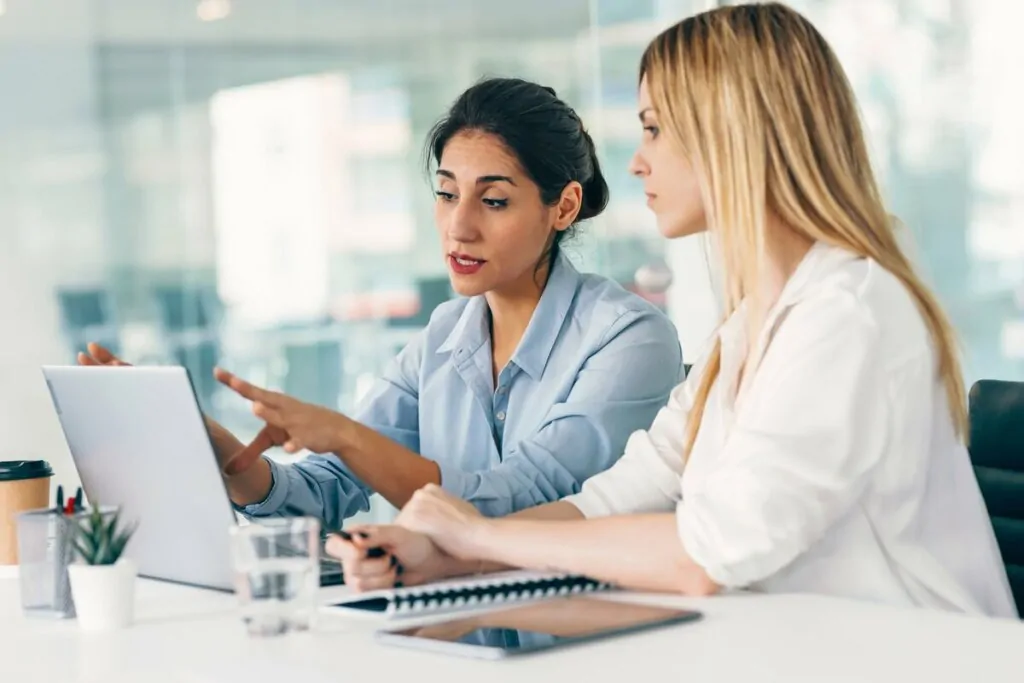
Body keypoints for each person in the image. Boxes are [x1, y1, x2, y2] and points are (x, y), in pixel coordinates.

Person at [329, 4, 1018, 618]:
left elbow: (707, 554)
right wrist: (447, 556)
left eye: (654, 129)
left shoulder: (850, 312)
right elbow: (627, 490)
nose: (636, 162)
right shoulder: (756, 319)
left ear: (731, 134)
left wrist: (476, 534)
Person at [79, 77, 683, 532]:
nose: (459, 227)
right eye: (446, 195)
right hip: (453, 638)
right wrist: (202, 437)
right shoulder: (444, 336)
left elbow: (522, 499)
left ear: (564, 206)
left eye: (493, 201)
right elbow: (321, 493)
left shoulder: (629, 338)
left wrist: (344, 433)